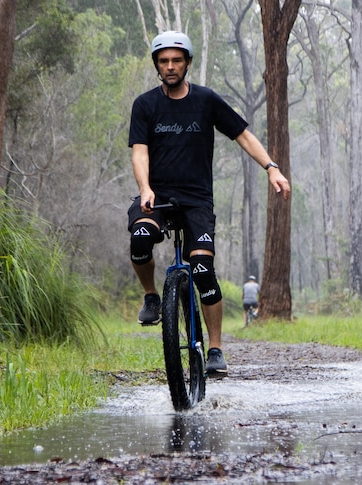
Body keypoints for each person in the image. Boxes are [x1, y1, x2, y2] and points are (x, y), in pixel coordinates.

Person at [127, 31, 291, 378]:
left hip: (197, 200)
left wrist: (271, 168)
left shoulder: (206, 100)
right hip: (155, 195)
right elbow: (139, 151)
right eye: (163, 61)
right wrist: (144, 189)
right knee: (141, 237)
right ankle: (152, 297)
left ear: (187, 62)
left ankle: (215, 348)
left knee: (202, 270)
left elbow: (243, 134)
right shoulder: (145, 105)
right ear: (157, 65)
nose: (170, 67)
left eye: (176, 60)